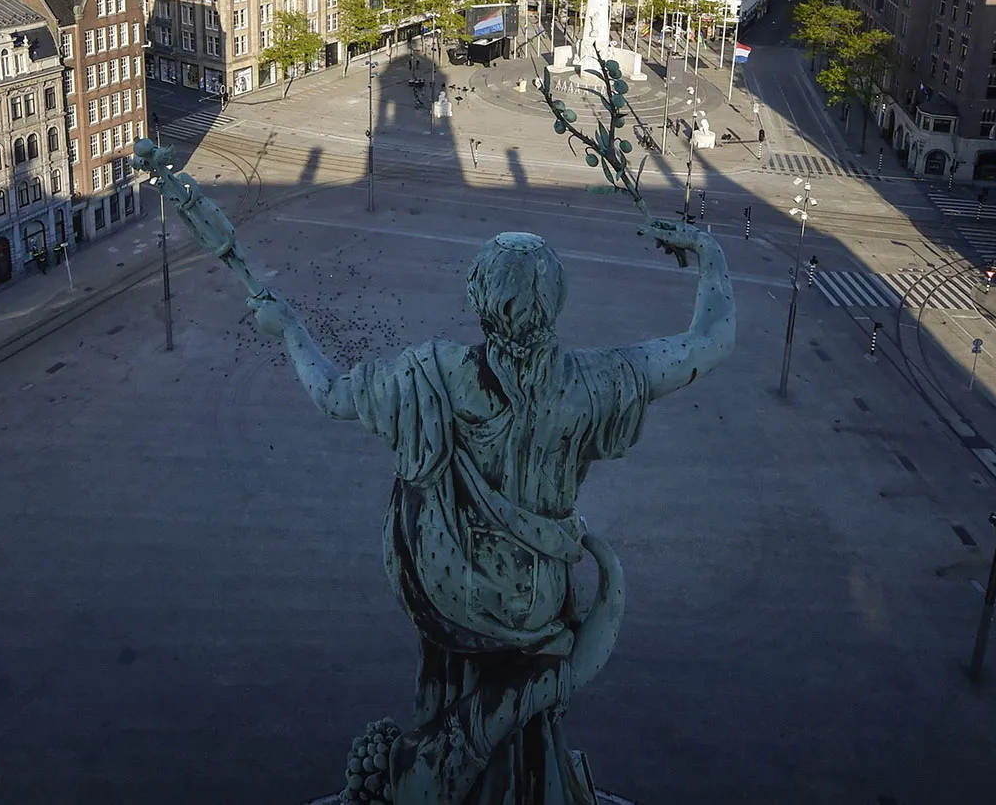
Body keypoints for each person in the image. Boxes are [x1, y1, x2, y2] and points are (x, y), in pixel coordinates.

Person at [247, 225, 734, 803]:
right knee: (527, 719)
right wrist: (711, 257)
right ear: (556, 300)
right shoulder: (594, 383)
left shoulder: (434, 373)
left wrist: (291, 330)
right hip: (537, 611)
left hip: (454, 604)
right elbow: (711, 341)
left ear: (477, 295)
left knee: (459, 698)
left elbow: (331, 394)